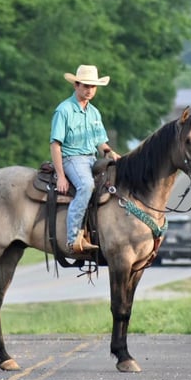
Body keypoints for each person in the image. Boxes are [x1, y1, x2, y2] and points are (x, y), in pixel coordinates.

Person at [50, 64, 120, 254]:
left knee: (117, 184)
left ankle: (103, 234)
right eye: (85, 85)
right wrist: (61, 175)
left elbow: (101, 141)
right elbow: (55, 144)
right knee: (86, 186)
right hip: (72, 158)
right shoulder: (64, 110)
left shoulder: (94, 112)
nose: (89, 90)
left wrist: (110, 152)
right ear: (76, 85)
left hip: (92, 159)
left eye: (93, 86)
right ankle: (73, 239)